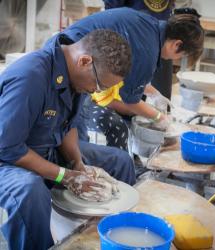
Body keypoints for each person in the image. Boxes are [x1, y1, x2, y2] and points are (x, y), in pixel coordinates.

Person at [0, 29, 134, 250]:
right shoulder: (31, 76)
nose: (95, 91)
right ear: (84, 61)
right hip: (8, 159)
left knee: (120, 160)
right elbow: (8, 148)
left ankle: (113, 237)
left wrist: (77, 163)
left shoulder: (77, 76)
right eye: (99, 85)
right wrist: (66, 176)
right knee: (29, 190)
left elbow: (67, 126)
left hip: (45, 148)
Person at [47, 7, 204, 151]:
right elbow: (130, 101)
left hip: (68, 56)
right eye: (180, 56)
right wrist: (159, 117)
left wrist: (154, 94)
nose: (174, 59)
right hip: (67, 66)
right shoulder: (148, 51)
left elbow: (131, 79)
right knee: (73, 137)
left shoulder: (150, 27)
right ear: (177, 45)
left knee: (75, 137)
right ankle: (69, 173)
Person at [103, 0, 175, 100]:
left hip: (161, 34)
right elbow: (113, 9)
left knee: (161, 94)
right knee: (130, 92)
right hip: (133, 33)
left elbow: (168, 9)